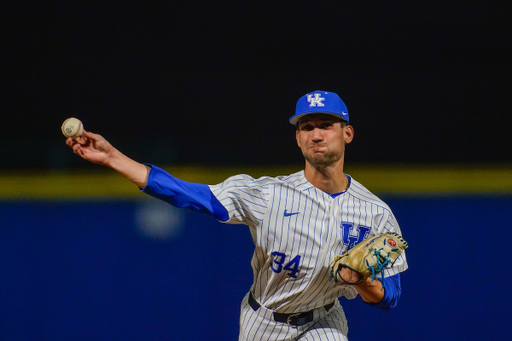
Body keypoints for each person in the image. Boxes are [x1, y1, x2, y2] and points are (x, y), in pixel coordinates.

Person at [66, 90, 408, 341]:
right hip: (264, 322)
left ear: (346, 133)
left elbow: (389, 297)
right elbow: (189, 195)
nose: (316, 134)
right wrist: (113, 158)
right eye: (307, 126)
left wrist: (361, 280)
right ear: (298, 138)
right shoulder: (268, 194)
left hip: (324, 321)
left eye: (326, 125)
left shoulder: (375, 212)